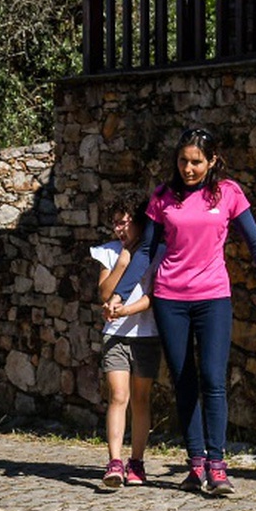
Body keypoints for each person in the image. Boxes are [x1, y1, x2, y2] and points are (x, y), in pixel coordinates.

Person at [108, 126, 256, 497]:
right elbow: (147, 251)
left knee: (212, 378)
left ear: (212, 161)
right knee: (184, 380)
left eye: (196, 162)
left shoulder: (228, 193)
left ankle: (217, 466)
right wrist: (120, 293)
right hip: (170, 299)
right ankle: (195, 463)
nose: (188, 169)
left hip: (213, 298)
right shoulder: (163, 197)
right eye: (183, 161)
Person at [89, 198, 157, 488]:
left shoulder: (155, 252)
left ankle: (137, 461)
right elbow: (104, 293)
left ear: (140, 222)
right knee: (118, 396)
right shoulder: (108, 252)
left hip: (147, 335)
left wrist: (127, 310)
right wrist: (123, 262)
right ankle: (115, 461)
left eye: (124, 222)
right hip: (115, 335)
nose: (119, 229)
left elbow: (154, 296)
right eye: (115, 223)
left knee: (141, 399)